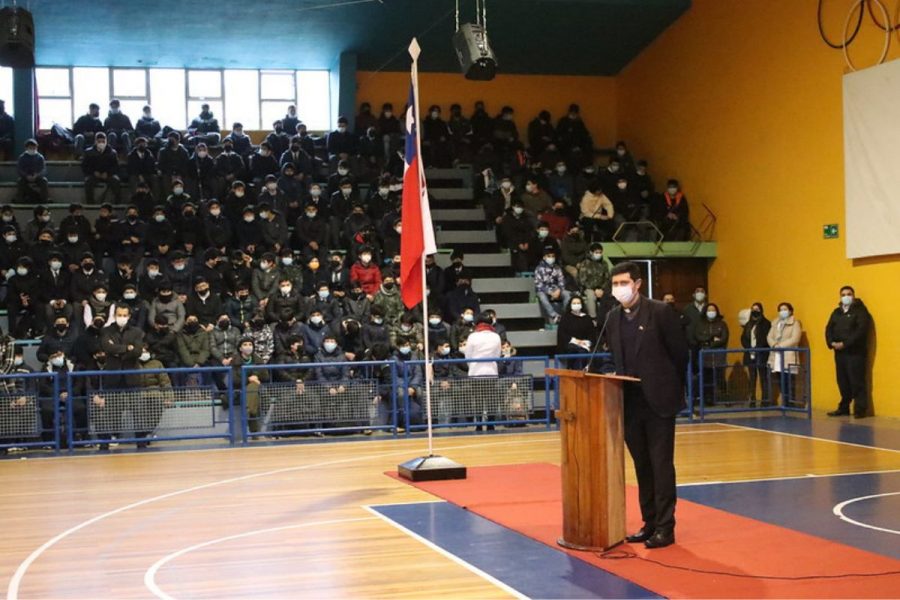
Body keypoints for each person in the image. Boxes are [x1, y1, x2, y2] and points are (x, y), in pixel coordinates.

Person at [605, 261, 688, 549]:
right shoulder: (612, 317)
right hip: (629, 402)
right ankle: (649, 522)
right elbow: (612, 356)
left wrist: (666, 384)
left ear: (637, 284)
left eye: (623, 283)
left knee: (661, 465)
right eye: (614, 284)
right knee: (642, 465)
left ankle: (666, 527)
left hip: (659, 401)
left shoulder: (661, 312)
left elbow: (679, 354)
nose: (619, 289)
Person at [825, 286, 871, 418]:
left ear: (853, 295)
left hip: (855, 352)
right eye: (843, 294)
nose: (846, 296)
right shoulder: (836, 312)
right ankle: (844, 407)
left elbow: (861, 331)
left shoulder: (861, 311)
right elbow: (829, 328)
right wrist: (831, 343)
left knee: (857, 380)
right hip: (839, 353)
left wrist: (845, 344)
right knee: (842, 381)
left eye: (849, 294)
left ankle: (860, 409)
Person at [464, 311, 502, 431]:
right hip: (491, 371)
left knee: (478, 399)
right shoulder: (496, 336)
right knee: (491, 399)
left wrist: (472, 365)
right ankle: (491, 424)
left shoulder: (473, 336)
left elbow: (468, 355)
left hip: (475, 372)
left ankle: (479, 424)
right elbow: (497, 354)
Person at [766, 302, 803, 406]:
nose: (783, 312)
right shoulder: (775, 323)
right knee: (779, 379)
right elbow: (769, 336)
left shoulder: (795, 323)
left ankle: (790, 402)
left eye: (785, 309)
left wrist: (781, 346)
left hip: (788, 355)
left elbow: (795, 338)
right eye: (780, 309)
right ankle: (784, 401)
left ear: (790, 311)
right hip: (776, 355)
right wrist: (774, 345)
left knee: (789, 380)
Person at [693, 302, 728, 405]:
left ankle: (725, 398)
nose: (711, 312)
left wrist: (711, 343)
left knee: (720, 377)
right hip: (705, 357)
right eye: (709, 310)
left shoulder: (722, 324)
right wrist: (711, 339)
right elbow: (698, 337)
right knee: (706, 378)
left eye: (713, 310)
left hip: (718, 356)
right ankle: (707, 399)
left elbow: (723, 338)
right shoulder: (700, 324)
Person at [741, 302, 771, 406]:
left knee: (763, 377)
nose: (755, 311)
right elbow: (743, 338)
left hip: (761, 354)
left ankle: (765, 400)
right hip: (750, 354)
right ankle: (752, 399)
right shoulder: (748, 324)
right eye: (753, 309)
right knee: (752, 377)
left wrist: (758, 348)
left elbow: (766, 338)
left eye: (757, 309)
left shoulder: (766, 323)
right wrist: (748, 348)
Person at [557, 296, 597, 369]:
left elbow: (592, 334)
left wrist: (586, 342)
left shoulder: (587, 318)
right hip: (570, 344)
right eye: (574, 303)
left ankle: (583, 370)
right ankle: (571, 369)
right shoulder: (565, 317)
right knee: (573, 350)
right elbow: (562, 333)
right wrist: (576, 341)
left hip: (585, 344)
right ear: (570, 304)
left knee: (583, 351)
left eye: (578, 303)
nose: (576, 305)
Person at [82, 133, 121, 204]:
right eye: (99, 141)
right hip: (93, 174)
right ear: (95, 141)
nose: (101, 143)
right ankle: (90, 203)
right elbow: (85, 166)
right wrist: (93, 172)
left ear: (106, 141)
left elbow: (116, 166)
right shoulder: (88, 152)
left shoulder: (112, 152)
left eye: (103, 141)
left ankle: (117, 202)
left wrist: (108, 173)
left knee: (116, 181)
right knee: (88, 182)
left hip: (108, 174)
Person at [534, 249, 570, 325]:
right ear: (544, 257)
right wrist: (550, 292)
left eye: (553, 256)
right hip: (544, 291)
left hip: (557, 290)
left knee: (567, 294)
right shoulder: (539, 269)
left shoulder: (557, 268)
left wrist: (559, 290)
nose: (551, 258)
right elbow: (539, 284)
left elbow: (561, 281)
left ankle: (565, 315)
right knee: (542, 297)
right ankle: (554, 315)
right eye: (549, 256)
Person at [17, 139, 49, 204]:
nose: (32, 149)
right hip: (25, 177)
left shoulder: (40, 157)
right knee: (20, 181)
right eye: (30, 147)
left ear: (36, 147)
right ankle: (20, 199)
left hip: (37, 176)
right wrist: (26, 175)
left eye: (34, 147)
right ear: (26, 148)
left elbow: (44, 169)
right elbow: (19, 169)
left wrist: (37, 175)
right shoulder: (22, 157)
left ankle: (44, 200)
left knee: (44, 181)